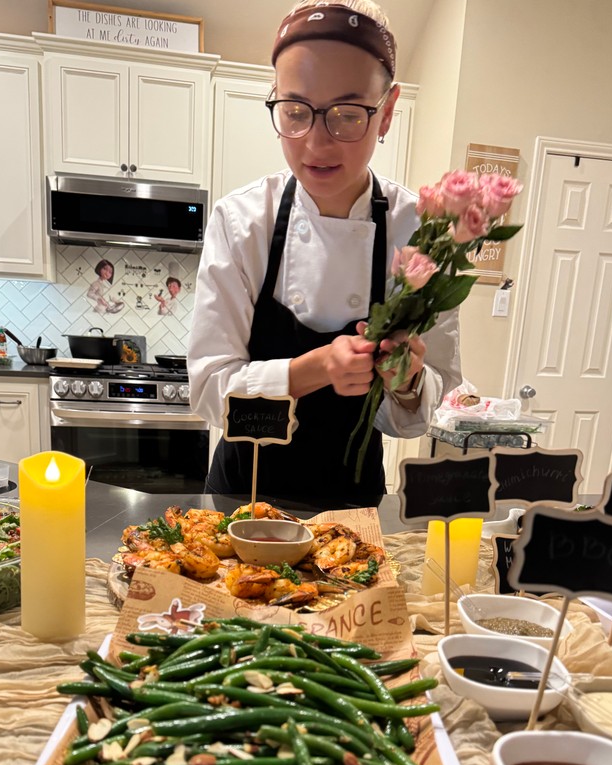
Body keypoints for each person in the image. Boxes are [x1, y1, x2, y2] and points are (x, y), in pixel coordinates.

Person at [188, 0, 461, 508]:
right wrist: (316, 368)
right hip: (240, 500)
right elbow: (208, 390)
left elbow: (425, 410)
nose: (316, 143)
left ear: (387, 111)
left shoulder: (421, 230)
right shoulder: (242, 220)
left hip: (352, 508)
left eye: (347, 114)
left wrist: (407, 382)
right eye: (295, 112)